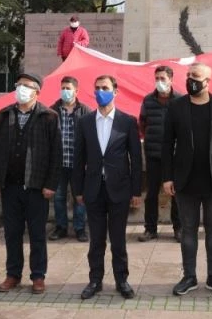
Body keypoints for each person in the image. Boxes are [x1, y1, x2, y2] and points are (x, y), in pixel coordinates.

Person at [162, 63, 212, 296]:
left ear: (208, 80)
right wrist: (167, 178)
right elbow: (167, 145)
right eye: (188, 76)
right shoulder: (176, 107)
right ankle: (189, 276)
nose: (190, 79)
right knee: (188, 230)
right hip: (185, 182)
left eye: (195, 76)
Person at [0, 73, 61, 294]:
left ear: (37, 91)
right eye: (18, 86)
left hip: (36, 187)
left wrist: (51, 184)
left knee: (37, 234)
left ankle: (38, 276)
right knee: (12, 233)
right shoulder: (3, 115)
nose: (21, 90)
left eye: (26, 87)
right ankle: (12, 274)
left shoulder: (49, 117)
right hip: (10, 186)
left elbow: (56, 154)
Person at [73, 75, 142, 300]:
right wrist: (78, 190)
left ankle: (122, 279)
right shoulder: (84, 122)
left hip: (119, 189)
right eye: (97, 88)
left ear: (115, 91)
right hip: (93, 189)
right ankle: (95, 280)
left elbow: (136, 159)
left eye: (105, 87)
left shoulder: (127, 121)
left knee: (118, 239)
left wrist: (135, 191)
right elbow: (78, 158)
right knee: (97, 240)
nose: (101, 91)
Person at [138, 65, 182, 242]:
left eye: (163, 78)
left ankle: (178, 228)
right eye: (157, 78)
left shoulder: (180, 100)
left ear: (171, 79)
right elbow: (142, 124)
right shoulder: (148, 100)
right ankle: (150, 229)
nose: (159, 82)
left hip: (175, 156)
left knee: (176, 193)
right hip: (153, 155)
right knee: (151, 194)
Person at [49, 76, 91, 242]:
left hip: (78, 164)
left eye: (68, 88)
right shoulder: (53, 111)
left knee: (79, 197)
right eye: (63, 88)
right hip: (59, 163)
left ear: (76, 90)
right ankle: (61, 227)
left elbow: (90, 138)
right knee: (59, 197)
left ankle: (80, 228)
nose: (65, 91)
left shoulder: (85, 111)